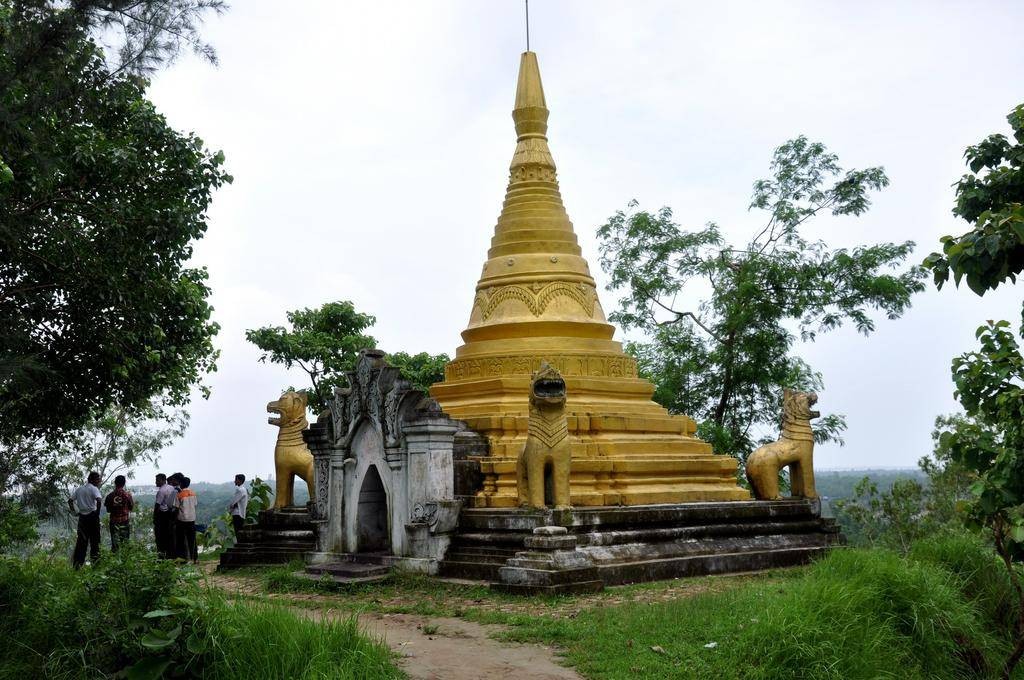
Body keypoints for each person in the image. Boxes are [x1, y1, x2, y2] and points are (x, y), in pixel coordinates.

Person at [68, 471, 102, 568]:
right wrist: (97, 513)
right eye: (97, 479)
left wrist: (74, 512)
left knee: (81, 542)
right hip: (92, 517)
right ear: (92, 479)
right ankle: (95, 565)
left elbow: (70, 501)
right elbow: (99, 500)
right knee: (95, 542)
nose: (99, 481)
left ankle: (77, 566)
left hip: (82, 518)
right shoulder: (94, 489)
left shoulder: (79, 489)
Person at [103, 475, 134, 552]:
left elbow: (108, 510)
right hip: (124, 521)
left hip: (114, 522)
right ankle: (125, 561)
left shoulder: (109, 496)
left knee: (115, 544)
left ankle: (115, 560)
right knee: (125, 543)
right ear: (124, 483)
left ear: (115, 483)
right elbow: (131, 508)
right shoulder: (128, 495)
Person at [175, 476, 198, 563]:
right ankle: (194, 558)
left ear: (181, 484)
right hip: (192, 519)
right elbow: (195, 504)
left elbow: (176, 507)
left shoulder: (179, 495)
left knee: (181, 540)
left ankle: (183, 558)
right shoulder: (193, 493)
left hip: (182, 519)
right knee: (192, 539)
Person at [153, 473, 176, 558]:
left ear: (163, 480)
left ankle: (161, 556)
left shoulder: (161, 491)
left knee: (161, 537)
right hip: (171, 514)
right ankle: (171, 555)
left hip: (163, 516)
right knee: (169, 536)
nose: (156, 482)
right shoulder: (171, 488)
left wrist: (155, 518)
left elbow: (157, 506)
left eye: (157, 480)